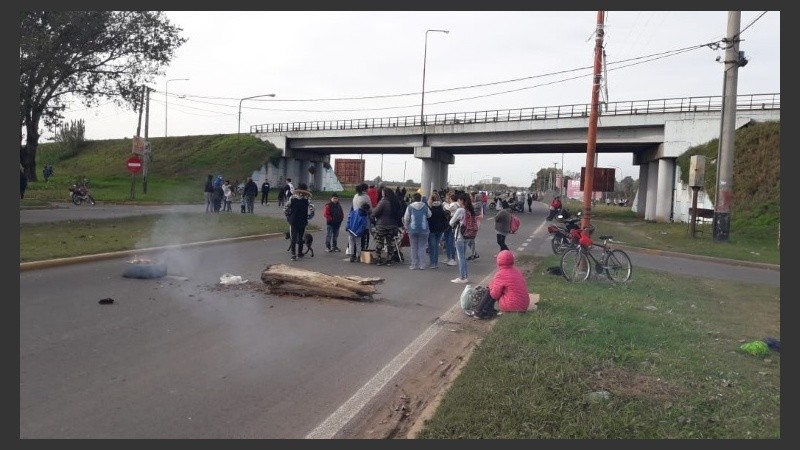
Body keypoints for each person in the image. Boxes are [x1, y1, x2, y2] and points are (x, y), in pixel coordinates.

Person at [470, 250, 530, 319]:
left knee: (491, 289)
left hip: (512, 306)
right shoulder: (516, 271)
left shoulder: (501, 274)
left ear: (499, 261)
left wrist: (491, 285)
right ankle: (485, 310)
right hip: (523, 305)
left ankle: (478, 312)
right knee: (498, 288)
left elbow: (494, 295)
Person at [448, 192, 475, 284]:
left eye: (459, 200)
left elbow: (451, 222)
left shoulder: (461, 210)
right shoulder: (470, 211)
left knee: (461, 257)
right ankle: (465, 276)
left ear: (462, 200)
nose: (458, 201)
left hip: (460, 235)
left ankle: (462, 277)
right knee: (463, 256)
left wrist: (456, 222)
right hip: (468, 235)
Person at [371, 185, 401, 266]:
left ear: (385, 194)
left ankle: (378, 259)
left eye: (383, 193)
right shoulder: (395, 202)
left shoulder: (383, 202)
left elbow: (375, 212)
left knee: (379, 242)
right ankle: (389, 260)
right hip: (393, 225)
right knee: (390, 243)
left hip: (382, 225)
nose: (382, 194)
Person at [403, 192, 431, 270]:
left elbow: (406, 218)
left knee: (413, 247)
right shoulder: (425, 206)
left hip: (412, 229)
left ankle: (414, 264)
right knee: (422, 247)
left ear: (413, 199)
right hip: (424, 229)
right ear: (420, 198)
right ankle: (422, 265)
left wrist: (406, 226)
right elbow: (429, 215)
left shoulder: (409, 207)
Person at [285, 182, 313, 261]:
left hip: (294, 220)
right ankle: (299, 253)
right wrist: (308, 217)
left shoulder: (292, 198)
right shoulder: (307, 199)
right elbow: (312, 210)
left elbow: (286, 207)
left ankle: (294, 254)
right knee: (300, 238)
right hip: (302, 220)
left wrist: (288, 216)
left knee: (294, 238)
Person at [348, 183, 372, 262]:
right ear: (365, 189)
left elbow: (352, 208)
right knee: (361, 240)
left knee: (351, 240)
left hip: (353, 219)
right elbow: (370, 209)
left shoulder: (355, 196)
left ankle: (352, 254)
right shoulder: (366, 197)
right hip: (362, 219)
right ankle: (360, 256)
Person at [426, 192, 449, 269]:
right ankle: (435, 262)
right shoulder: (441, 207)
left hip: (432, 229)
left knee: (432, 246)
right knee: (436, 245)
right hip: (440, 229)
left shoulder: (430, 208)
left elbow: (428, 218)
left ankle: (432, 263)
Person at [442, 191, 459, 266]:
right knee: (447, 241)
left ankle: (452, 258)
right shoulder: (451, 204)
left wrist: (445, 205)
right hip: (447, 224)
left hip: (452, 225)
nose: (447, 199)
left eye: (448, 198)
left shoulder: (454, 205)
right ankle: (448, 257)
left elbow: (449, 209)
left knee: (450, 242)